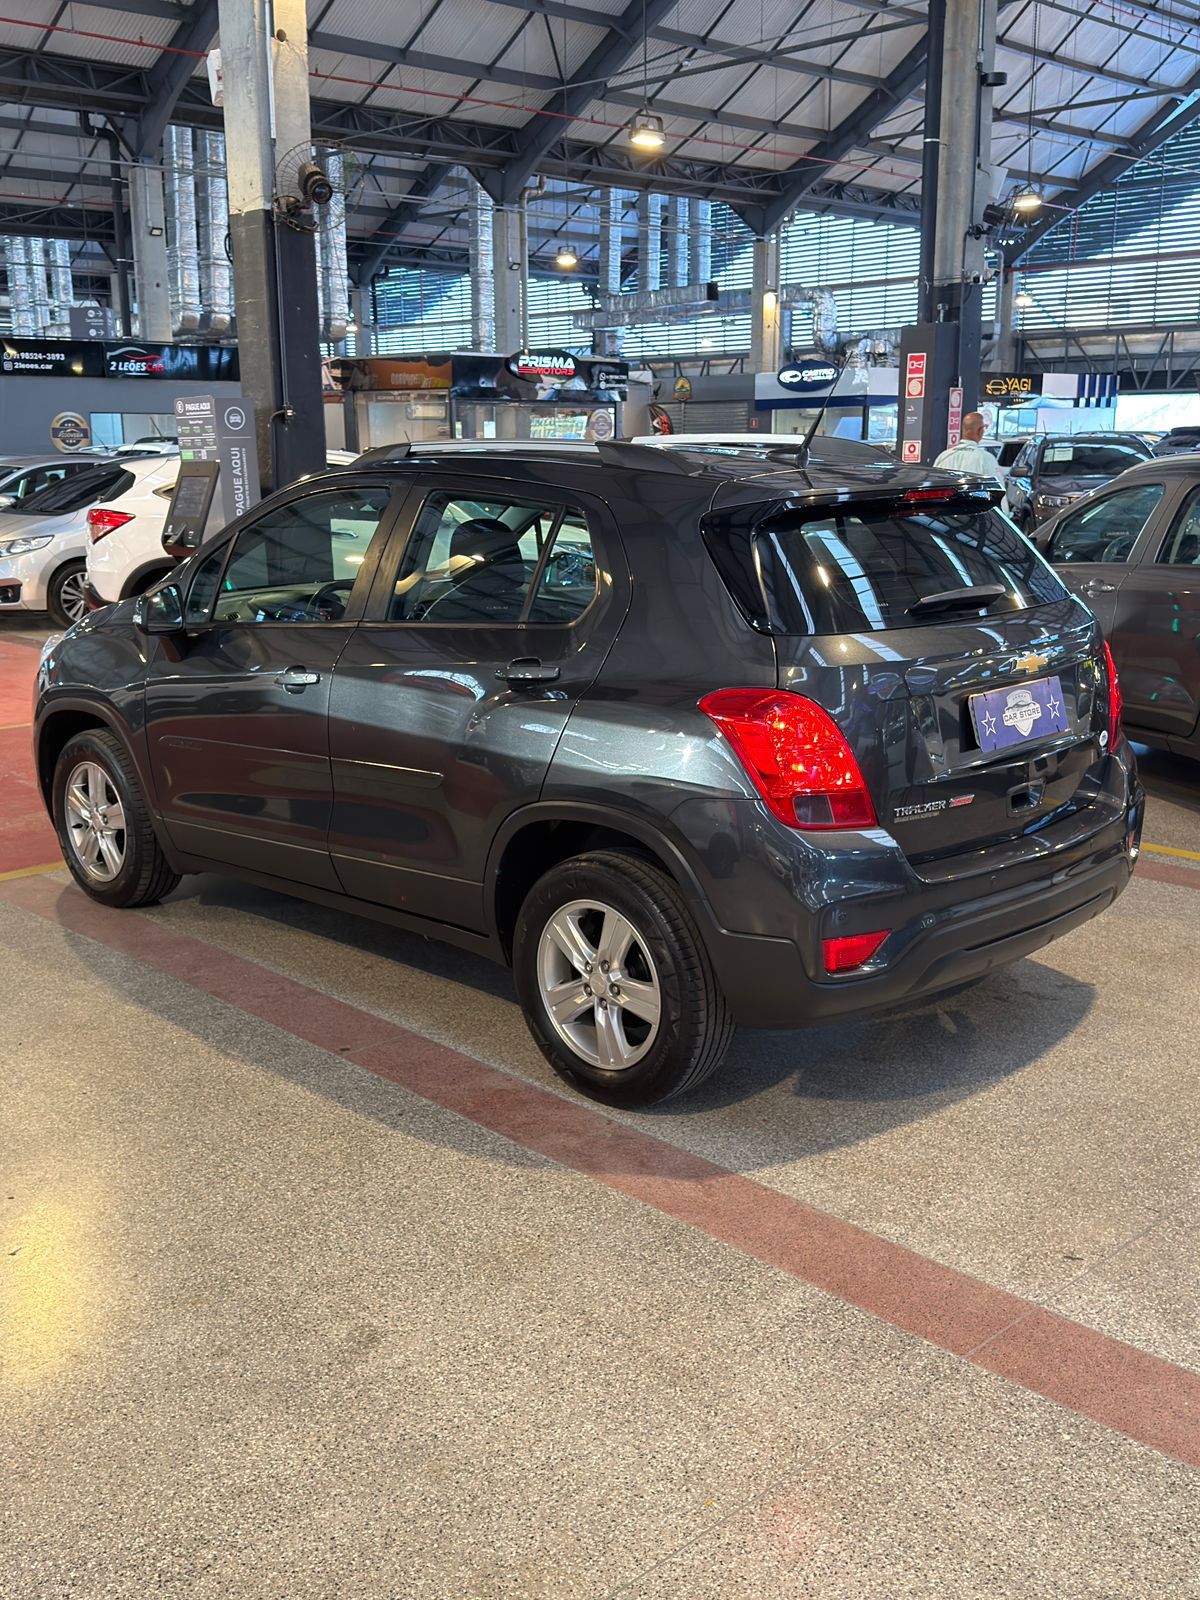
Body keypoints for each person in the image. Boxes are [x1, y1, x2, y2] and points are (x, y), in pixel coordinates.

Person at [932, 411, 1007, 495]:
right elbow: (999, 490)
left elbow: (933, 485)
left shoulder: (943, 457)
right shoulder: (986, 458)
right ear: (980, 431)